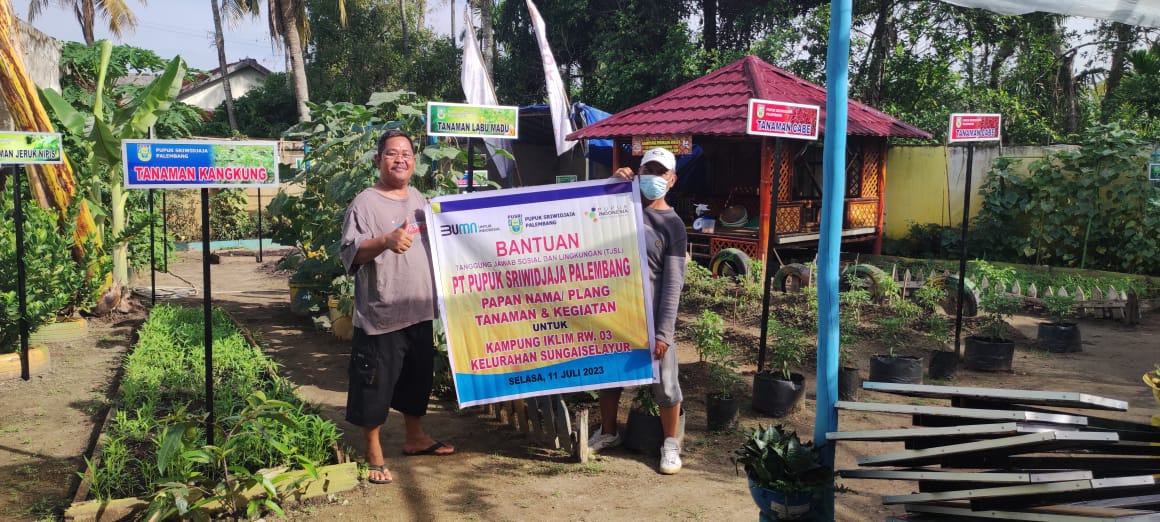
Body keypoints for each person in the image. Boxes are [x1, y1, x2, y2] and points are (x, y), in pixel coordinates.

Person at [339, 129, 455, 485]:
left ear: (414, 161)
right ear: (378, 160)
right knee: (374, 385)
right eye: (392, 153)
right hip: (382, 314)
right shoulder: (364, 203)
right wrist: (385, 241)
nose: (400, 159)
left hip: (418, 309)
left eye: (406, 153)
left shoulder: (419, 197)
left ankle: (415, 437)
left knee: (415, 381)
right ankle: (373, 452)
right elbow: (350, 253)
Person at [588, 147, 688, 475]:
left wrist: (664, 332)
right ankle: (609, 432)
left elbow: (672, 284)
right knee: (610, 377)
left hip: (651, 318)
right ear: (638, 172)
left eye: (661, 173)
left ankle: (671, 445)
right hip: (615, 313)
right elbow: (584, 219)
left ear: (671, 180)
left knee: (667, 385)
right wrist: (610, 186)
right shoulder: (620, 206)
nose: (654, 178)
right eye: (649, 170)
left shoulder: (673, 225)